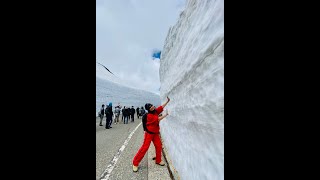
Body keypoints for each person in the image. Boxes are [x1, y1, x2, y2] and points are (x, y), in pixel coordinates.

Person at [132, 97, 170, 172]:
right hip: (149, 134)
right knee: (144, 148)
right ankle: (135, 163)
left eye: (152, 105)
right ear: (148, 109)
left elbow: (161, 107)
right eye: (150, 107)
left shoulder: (155, 111)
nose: (152, 107)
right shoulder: (149, 115)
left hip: (155, 133)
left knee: (159, 146)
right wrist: (166, 114)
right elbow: (158, 119)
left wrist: (167, 101)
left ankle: (158, 160)